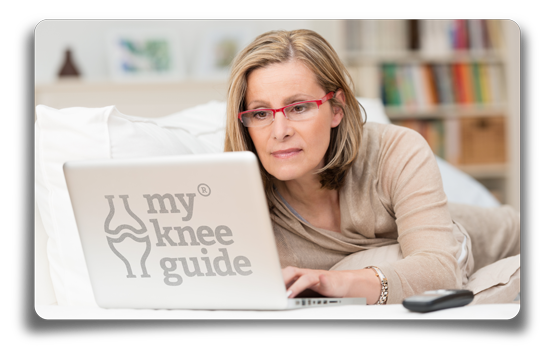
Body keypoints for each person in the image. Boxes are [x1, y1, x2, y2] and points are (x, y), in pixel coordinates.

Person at [223, 29, 520, 305]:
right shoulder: (243, 206)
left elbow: (440, 269)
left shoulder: (395, 149)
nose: (279, 131)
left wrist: (336, 282)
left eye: (299, 107)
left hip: (507, 242)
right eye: (261, 113)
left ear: (336, 109)